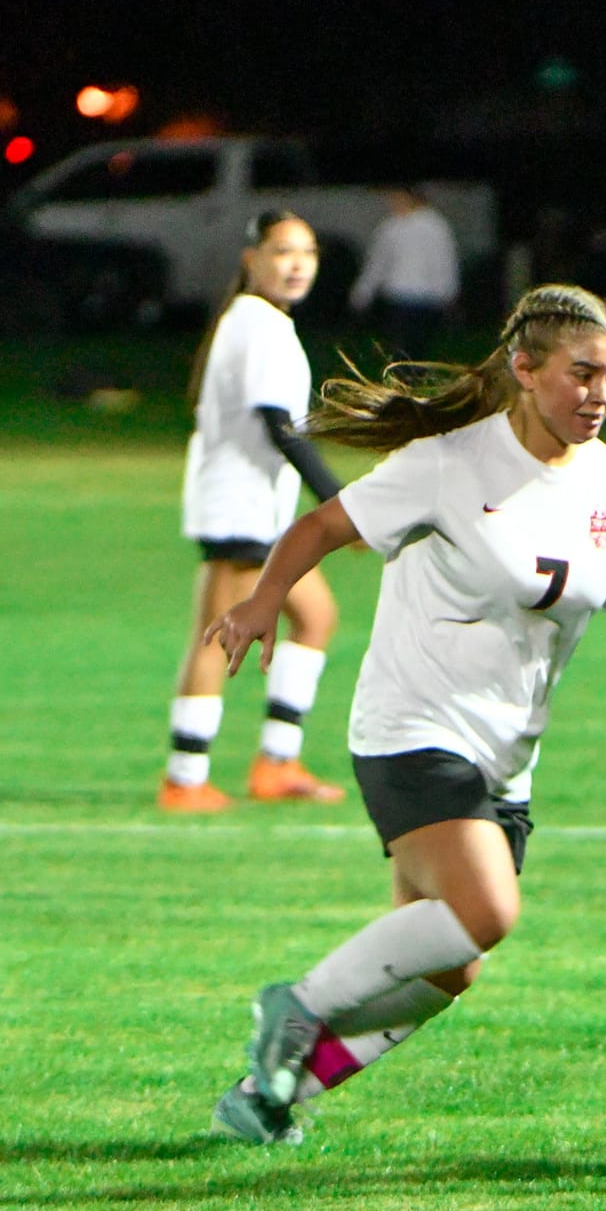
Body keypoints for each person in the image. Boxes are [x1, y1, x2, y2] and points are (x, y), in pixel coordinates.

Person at [202, 283, 606, 1143]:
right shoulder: (451, 461)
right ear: (526, 369)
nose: (599, 395)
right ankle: (296, 1006)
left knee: (450, 964)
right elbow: (320, 527)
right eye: (582, 374)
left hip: (504, 759)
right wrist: (262, 601)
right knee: (487, 909)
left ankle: (272, 1090)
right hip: (411, 725)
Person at [161, 211, 347, 812]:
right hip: (238, 506)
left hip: (261, 510)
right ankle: (185, 779)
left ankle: (276, 763)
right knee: (218, 637)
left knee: (315, 616)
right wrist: (338, 502)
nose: (297, 265)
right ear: (252, 259)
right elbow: (279, 426)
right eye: (283, 252)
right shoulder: (258, 324)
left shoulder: (262, 322)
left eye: (308, 253)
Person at [349, 185, 459, 361]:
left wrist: (447, 293)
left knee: (414, 347)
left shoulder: (433, 226)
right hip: (400, 297)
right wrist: (363, 291)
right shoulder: (393, 226)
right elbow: (378, 262)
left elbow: (443, 262)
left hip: (423, 299)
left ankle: (411, 378)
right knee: (405, 347)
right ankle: (407, 378)